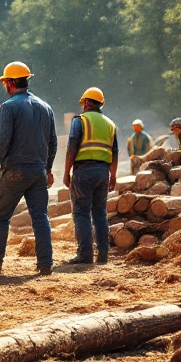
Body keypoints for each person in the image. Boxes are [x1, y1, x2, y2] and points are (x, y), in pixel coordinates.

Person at [0, 61, 57, 276]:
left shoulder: (8, 107)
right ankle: (45, 263)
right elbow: (53, 142)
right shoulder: (46, 108)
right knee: (40, 217)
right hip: (38, 171)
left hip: (15, 171)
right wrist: (47, 169)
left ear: (10, 83)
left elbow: (2, 141)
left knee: (0, 216)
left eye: (5, 82)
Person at [63, 87, 118, 265]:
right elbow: (115, 152)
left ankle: (85, 255)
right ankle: (103, 255)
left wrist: (66, 172)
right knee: (100, 213)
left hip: (83, 171)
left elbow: (72, 147)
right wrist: (114, 175)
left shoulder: (80, 120)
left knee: (81, 213)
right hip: (103, 172)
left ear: (86, 102)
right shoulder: (110, 124)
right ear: (100, 103)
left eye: (84, 103)